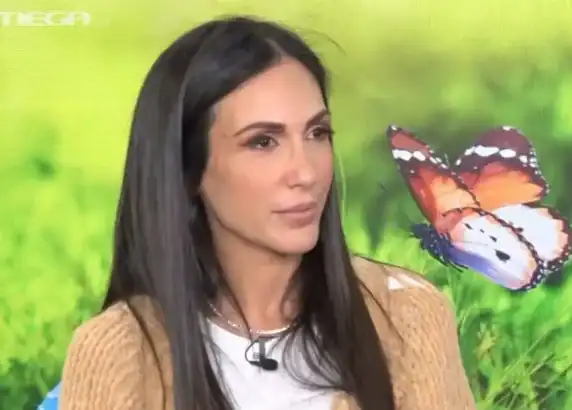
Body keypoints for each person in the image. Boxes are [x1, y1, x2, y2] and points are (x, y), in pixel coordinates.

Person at [58, 15, 476, 410]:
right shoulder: (120, 351)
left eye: (317, 133)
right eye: (263, 142)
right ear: (187, 170)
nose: (305, 172)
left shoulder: (407, 315)